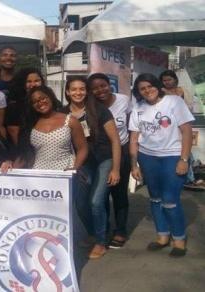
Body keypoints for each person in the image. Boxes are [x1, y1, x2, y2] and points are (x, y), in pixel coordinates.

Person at [129, 73, 194, 257]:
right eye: (142, 88)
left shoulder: (174, 102)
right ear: (139, 92)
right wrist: (134, 165)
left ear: (157, 86)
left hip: (172, 156)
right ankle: (162, 236)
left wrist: (184, 159)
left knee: (170, 199)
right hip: (147, 157)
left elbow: (187, 131)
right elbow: (134, 139)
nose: (147, 90)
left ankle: (179, 239)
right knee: (155, 198)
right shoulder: (138, 108)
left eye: (150, 86)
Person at [61, 76, 121, 259]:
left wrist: (116, 169)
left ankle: (101, 242)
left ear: (86, 91)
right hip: (82, 162)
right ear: (67, 92)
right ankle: (94, 232)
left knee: (96, 201)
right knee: (80, 203)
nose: (78, 92)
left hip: (104, 160)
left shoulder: (99, 110)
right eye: (74, 89)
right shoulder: (62, 113)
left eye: (82, 89)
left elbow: (115, 140)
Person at [88, 73, 132, 249]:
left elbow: (131, 123)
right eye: (95, 88)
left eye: (103, 85)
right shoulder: (91, 105)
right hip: (100, 154)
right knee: (102, 194)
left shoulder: (124, 100)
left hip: (122, 149)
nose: (100, 90)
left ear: (109, 85)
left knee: (119, 192)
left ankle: (120, 230)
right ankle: (103, 229)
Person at [6, 68, 46, 146]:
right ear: (22, 84)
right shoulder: (14, 107)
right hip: (25, 149)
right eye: (29, 81)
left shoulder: (49, 102)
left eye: (37, 81)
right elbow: (14, 132)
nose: (33, 85)